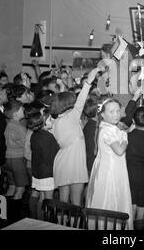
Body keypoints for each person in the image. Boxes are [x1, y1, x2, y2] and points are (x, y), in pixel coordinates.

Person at [51, 67, 100, 206]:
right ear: (69, 105)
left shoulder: (56, 121)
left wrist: (61, 88)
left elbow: (60, 101)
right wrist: (90, 78)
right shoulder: (72, 117)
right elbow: (82, 97)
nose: (75, 104)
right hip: (74, 163)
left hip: (62, 162)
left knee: (63, 203)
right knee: (76, 204)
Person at [86, 98, 133, 230]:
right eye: (111, 112)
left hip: (114, 169)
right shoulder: (107, 130)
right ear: (103, 114)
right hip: (110, 172)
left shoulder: (109, 127)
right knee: (109, 200)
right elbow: (119, 150)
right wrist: (125, 138)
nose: (116, 114)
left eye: (118, 111)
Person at [28, 112, 60, 219]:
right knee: (47, 201)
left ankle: (37, 219)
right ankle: (44, 221)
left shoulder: (34, 134)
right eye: (50, 120)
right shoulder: (47, 136)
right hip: (47, 172)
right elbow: (53, 155)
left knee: (42, 197)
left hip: (38, 171)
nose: (53, 121)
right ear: (44, 122)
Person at [4, 100, 29, 199]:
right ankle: (15, 212)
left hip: (8, 158)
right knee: (20, 189)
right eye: (22, 109)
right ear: (15, 113)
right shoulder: (20, 127)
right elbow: (26, 143)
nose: (24, 110)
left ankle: (6, 210)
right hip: (18, 159)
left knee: (12, 186)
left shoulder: (9, 124)